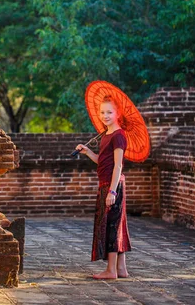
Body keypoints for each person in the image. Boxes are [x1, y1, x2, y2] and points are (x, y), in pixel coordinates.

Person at [75, 94, 131, 279]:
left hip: (113, 186)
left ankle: (111, 270)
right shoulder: (106, 135)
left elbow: (118, 165)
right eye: (102, 112)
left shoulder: (119, 135)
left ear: (118, 113)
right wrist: (88, 151)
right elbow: (102, 161)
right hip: (106, 183)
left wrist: (112, 191)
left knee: (111, 226)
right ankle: (121, 269)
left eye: (110, 112)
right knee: (116, 224)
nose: (105, 115)